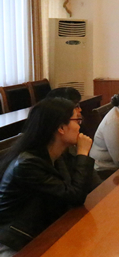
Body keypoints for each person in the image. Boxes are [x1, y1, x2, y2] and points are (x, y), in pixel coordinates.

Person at [0, 98, 95, 254]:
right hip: (16, 243)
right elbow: (75, 195)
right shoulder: (28, 164)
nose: (80, 126)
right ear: (61, 128)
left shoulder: (56, 154)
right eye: (77, 120)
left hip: (40, 232)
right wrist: (83, 154)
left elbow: (77, 190)